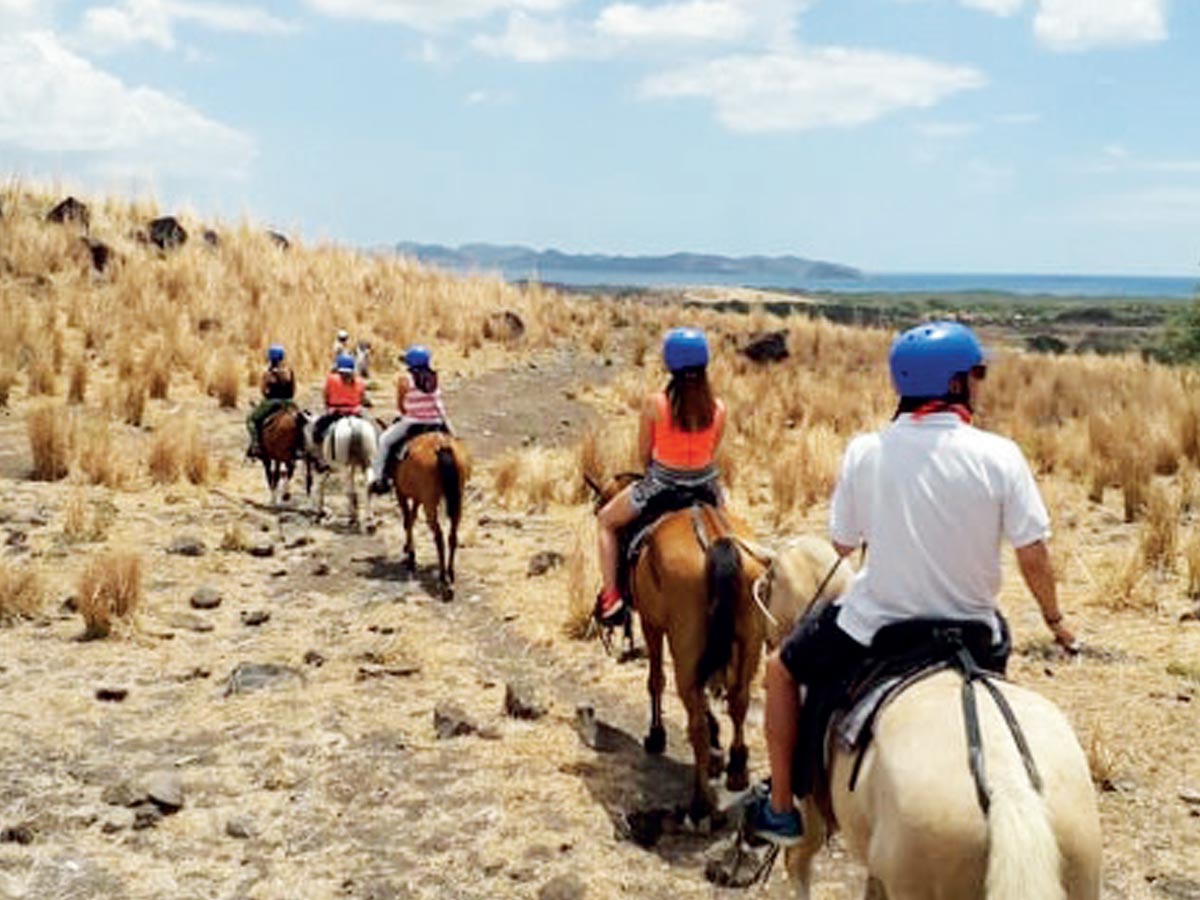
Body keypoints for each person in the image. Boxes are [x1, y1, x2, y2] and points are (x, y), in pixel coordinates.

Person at [745, 321, 1078, 846]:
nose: (981, 383)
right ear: (954, 385)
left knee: (781, 670)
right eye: (977, 374)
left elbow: (842, 543)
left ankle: (783, 807)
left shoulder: (866, 451)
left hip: (875, 626)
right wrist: (1056, 620)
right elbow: (1032, 552)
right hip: (975, 630)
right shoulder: (1001, 454)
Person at [594, 327, 727, 627]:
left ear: (670, 364)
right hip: (707, 486)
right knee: (728, 531)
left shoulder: (655, 404)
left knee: (606, 520)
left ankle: (611, 597)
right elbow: (713, 449)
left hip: (662, 483)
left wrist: (656, 472)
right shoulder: (719, 408)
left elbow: (645, 453)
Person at [368, 345, 454, 494]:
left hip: (413, 421)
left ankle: (379, 478)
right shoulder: (435, 377)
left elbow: (401, 405)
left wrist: (406, 413)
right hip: (437, 420)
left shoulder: (405, 379)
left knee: (384, 441)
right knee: (456, 442)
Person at [245, 344, 295, 459]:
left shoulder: (267, 373)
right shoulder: (288, 372)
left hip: (271, 403)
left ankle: (256, 444)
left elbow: (263, 391)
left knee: (251, 420)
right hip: (289, 403)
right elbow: (292, 390)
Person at [311, 353, 366, 455]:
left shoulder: (331, 379)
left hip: (336, 413)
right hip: (355, 413)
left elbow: (326, 397)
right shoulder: (360, 381)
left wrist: (328, 406)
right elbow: (362, 398)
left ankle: (319, 456)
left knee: (317, 429)